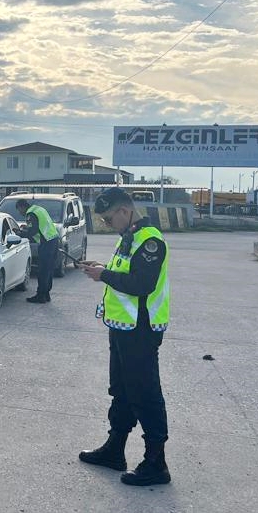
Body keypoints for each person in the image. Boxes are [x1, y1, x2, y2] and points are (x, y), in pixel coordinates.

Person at [79, 187, 172, 486]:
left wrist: (103, 275)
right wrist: (103, 269)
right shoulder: (128, 239)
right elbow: (123, 275)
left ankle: (156, 463)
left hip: (140, 332)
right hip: (121, 328)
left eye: (108, 219)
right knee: (120, 390)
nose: (107, 225)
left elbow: (141, 284)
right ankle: (114, 449)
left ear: (124, 211)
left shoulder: (150, 241)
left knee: (145, 395)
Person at [16, 199, 59, 303]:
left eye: (19, 210)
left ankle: (40, 296)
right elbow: (40, 225)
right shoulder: (39, 209)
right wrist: (27, 227)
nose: (20, 213)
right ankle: (46, 294)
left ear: (22, 207)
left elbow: (33, 231)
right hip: (53, 239)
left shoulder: (30, 214)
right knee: (48, 270)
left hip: (46, 243)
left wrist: (20, 233)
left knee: (42, 271)